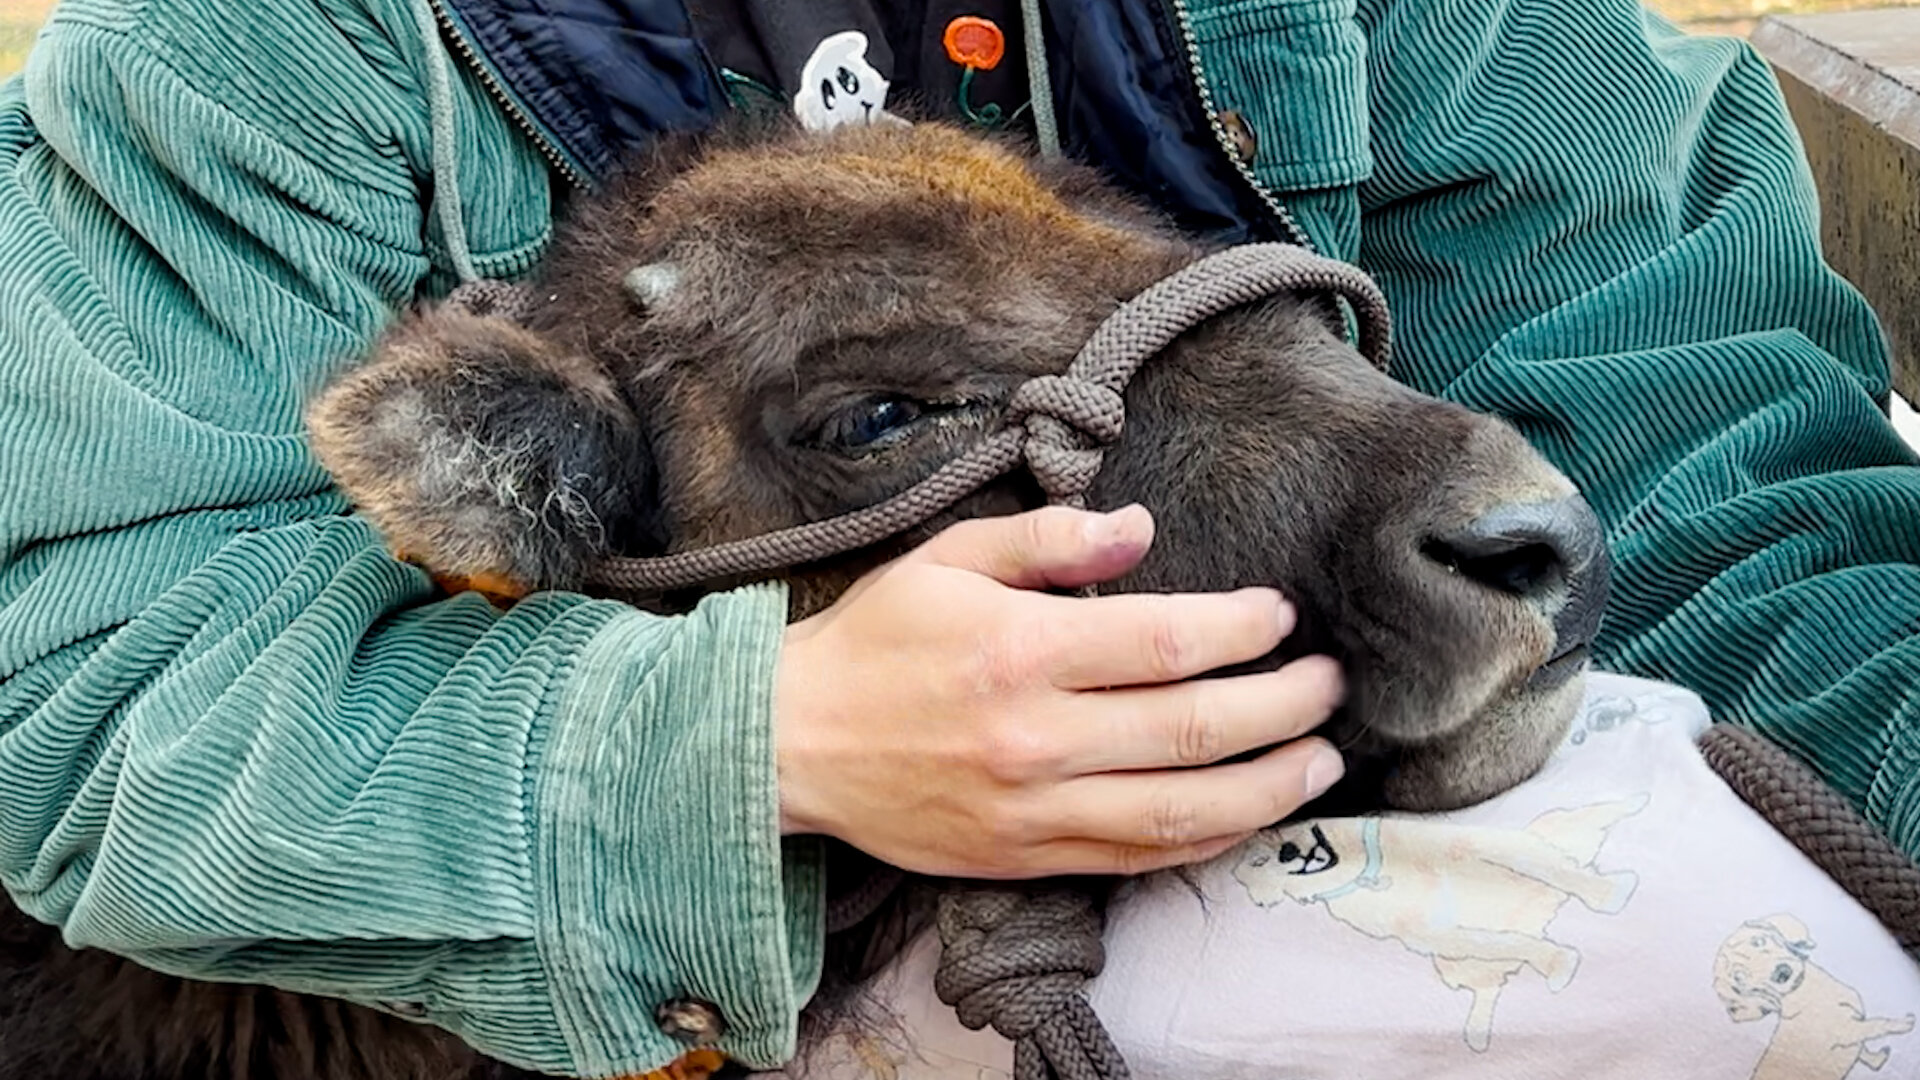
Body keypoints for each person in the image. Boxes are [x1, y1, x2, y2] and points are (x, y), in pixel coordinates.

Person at [0, 0, 1914, 1077]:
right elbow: (82, 683)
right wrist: (768, 744)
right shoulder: (260, 56)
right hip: (674, 939)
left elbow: (1716, 460)